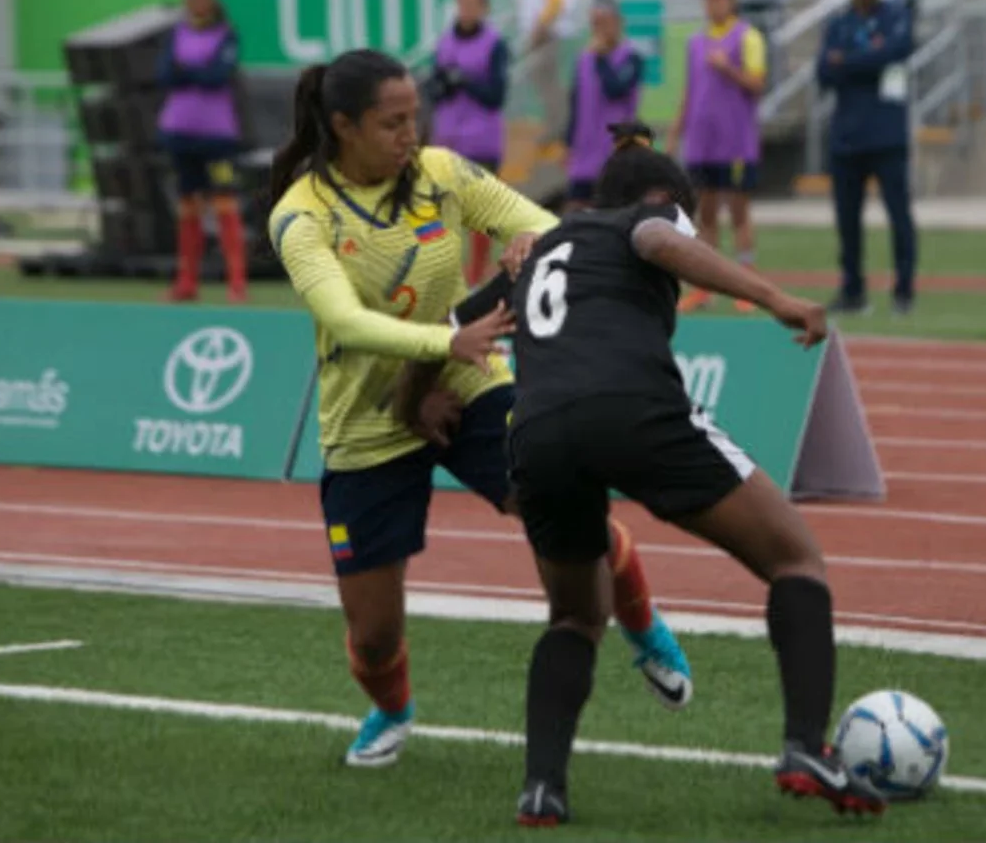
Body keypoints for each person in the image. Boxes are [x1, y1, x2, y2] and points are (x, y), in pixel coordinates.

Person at [443, 124, 884, 827]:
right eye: (691, 215)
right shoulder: (648, 215)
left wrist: (416, 405)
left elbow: (447, 331)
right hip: (633, 409)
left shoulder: (535, 253)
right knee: (796, 558)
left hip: (537, 434)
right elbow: (657, 243)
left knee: (576, 616)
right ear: (661, 198)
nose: (693, 230)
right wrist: (774, 298)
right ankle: (805, 747)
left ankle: (541, 789)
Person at [269, 51, 691, 770]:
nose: (411, 135)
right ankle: (392, 707)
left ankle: (645, 627)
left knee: (558, 506)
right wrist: (446, 339)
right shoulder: (300, 215)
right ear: (341, 125)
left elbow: (545, 225)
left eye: (414, 118)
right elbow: (344, 322)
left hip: (471, 381)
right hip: (367, 418)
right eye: (390, 123)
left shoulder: (441, 172)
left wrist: (534, 241)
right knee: (372, 635)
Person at [819, 0, 916, 316]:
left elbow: (897, 51)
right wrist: (865, 59)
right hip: (847, 136)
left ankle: (904, 291)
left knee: (899, 215)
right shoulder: (838, 23)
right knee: (846, 221)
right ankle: (853, 290)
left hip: (887, 135)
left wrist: (848, 61)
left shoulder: (895, 15)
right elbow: (823, 72)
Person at [667, 0, 766, 314]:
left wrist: (729, 69)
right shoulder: (696, 43)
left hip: (735, 142)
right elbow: (689, 92)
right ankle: (703, 288)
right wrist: (675, 132)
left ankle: (748, 286)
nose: (711, 5)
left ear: (731, 0)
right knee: (705, 214)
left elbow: (757, 84)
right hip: (701, 142)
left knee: (738, 212)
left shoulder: (748, 37)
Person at [159, 0, 248, 303]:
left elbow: (216, 77)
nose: (194, 2)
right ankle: (187, 282)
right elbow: (164, 74)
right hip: (180, 136)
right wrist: (191, 71)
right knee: (188, 207)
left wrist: (187, 70)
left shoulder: (227, 36)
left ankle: (237, 283)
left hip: (218, 140)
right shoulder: (176, 34)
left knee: (225, 202)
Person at [425, 0, 510, 286]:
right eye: (461, 2)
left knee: (478, 217)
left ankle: (475, 279)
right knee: (441, 213)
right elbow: (432, 90)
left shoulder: (494, 44)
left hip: (481, 140)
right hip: (447, 139)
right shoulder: (445, 42)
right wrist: (443, 83)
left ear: (484, 7)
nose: (465, 9)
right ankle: (444, 277)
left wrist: (465, 80)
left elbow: (496, 95)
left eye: (472, 2)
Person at [563, 0, 644, 210]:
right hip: (584, 152)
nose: (599, 30)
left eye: (604, 23)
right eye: (595, 24)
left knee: (612, 213)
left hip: (614, 153)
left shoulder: (631, 58)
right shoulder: (584, 58)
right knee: (575, 212)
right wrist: (568, 143)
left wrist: (601, 59)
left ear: (617, 22)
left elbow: (615, 89)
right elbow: (575, 103)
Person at [518, 0, 578, 156]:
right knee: (548, 79)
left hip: (548, 31)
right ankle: (559, 124)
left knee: (547, 80)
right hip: (552, 28)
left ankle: (559, 126)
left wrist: (541, 25)